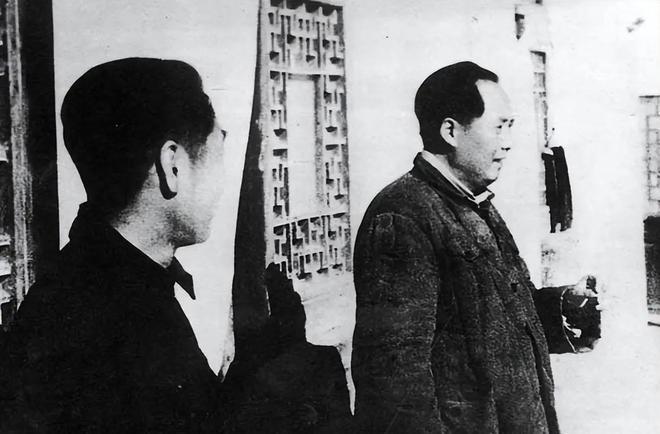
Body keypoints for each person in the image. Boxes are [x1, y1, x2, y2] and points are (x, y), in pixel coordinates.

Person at [351, 61, 600, 433]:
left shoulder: (472, 203)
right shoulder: (404, 216)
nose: (508, 142)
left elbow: (490, 319)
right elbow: (394, 378)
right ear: (451, 131)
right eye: (499, 127)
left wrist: (563, 306)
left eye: (510, 127)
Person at [0, 58, 227, 432]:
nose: (222, 186)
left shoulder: (81, 284)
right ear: (171, 165)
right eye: (217, 157)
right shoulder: (129, 321)